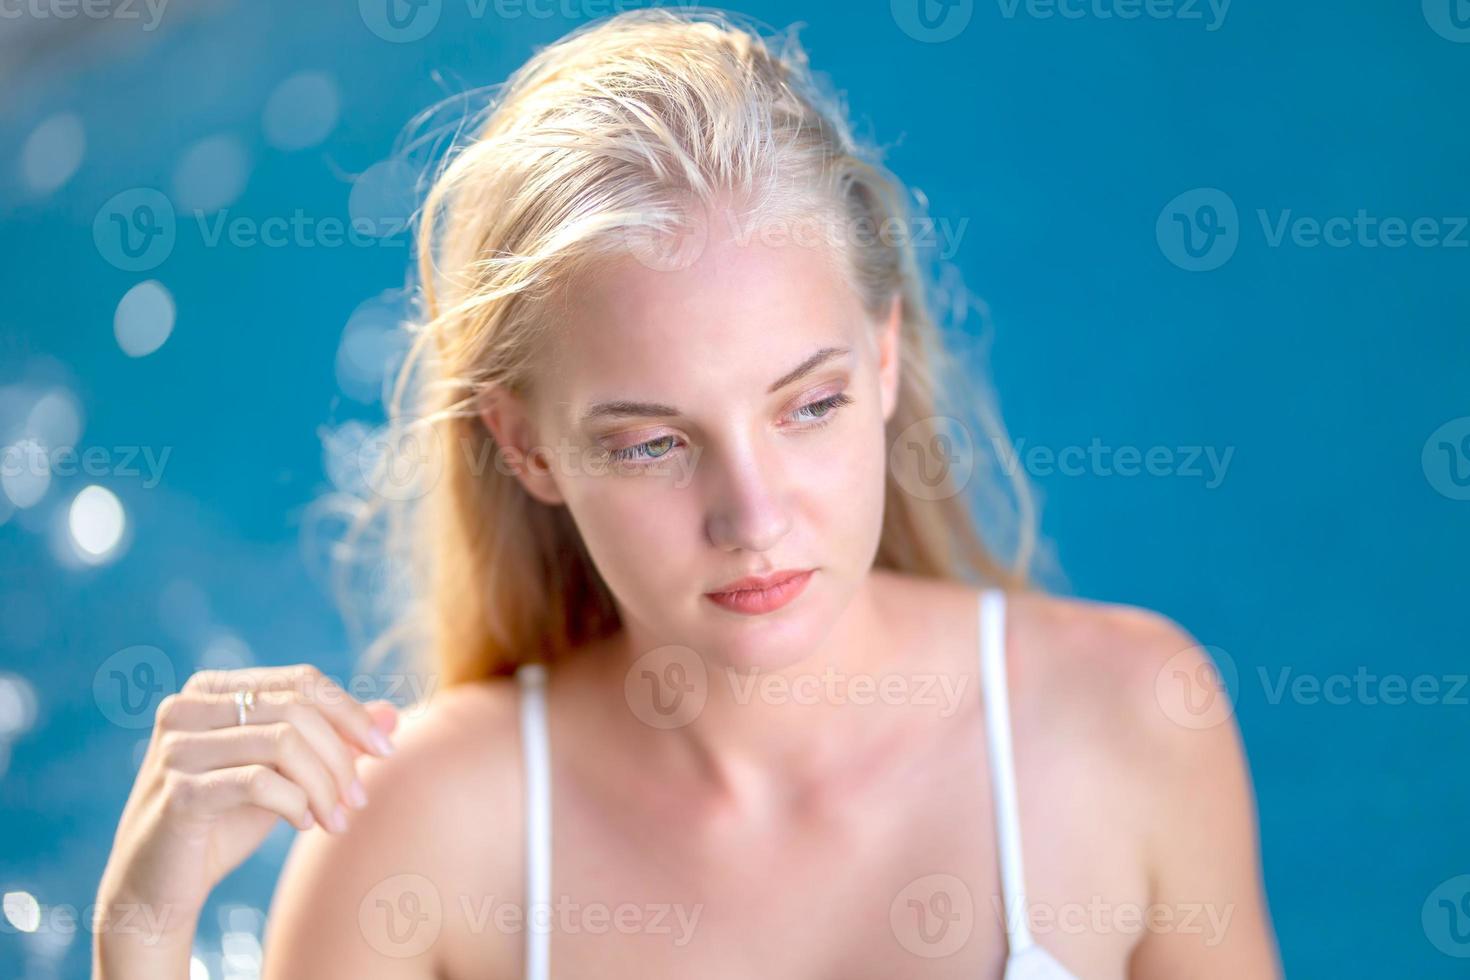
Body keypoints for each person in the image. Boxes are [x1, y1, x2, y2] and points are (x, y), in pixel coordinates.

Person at [93, 9, 1281, 978]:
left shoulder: (1129, 723)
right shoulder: (431, 837)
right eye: (654, 443)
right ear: (529, 448)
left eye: (807, 405)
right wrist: (141, 937)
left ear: (881, 358)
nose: (754, 516)